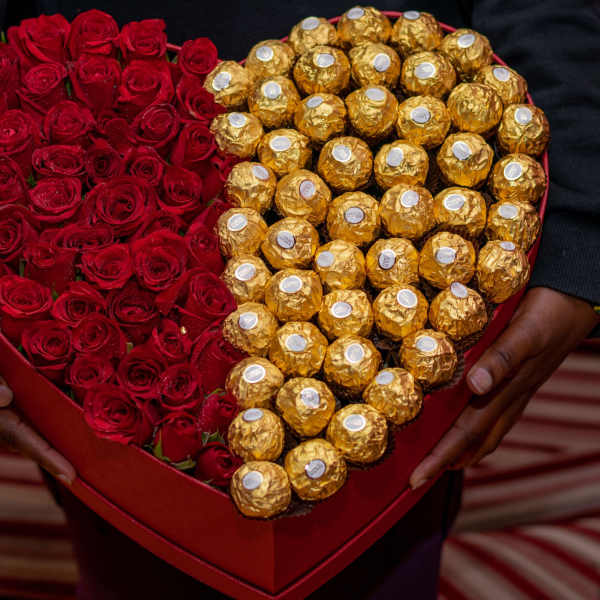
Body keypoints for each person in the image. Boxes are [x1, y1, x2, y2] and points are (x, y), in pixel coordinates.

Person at [1, 0, 599, 598]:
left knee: (384, 540)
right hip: (110, 158)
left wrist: (578, 246)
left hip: (409, 352)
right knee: (130, 548)